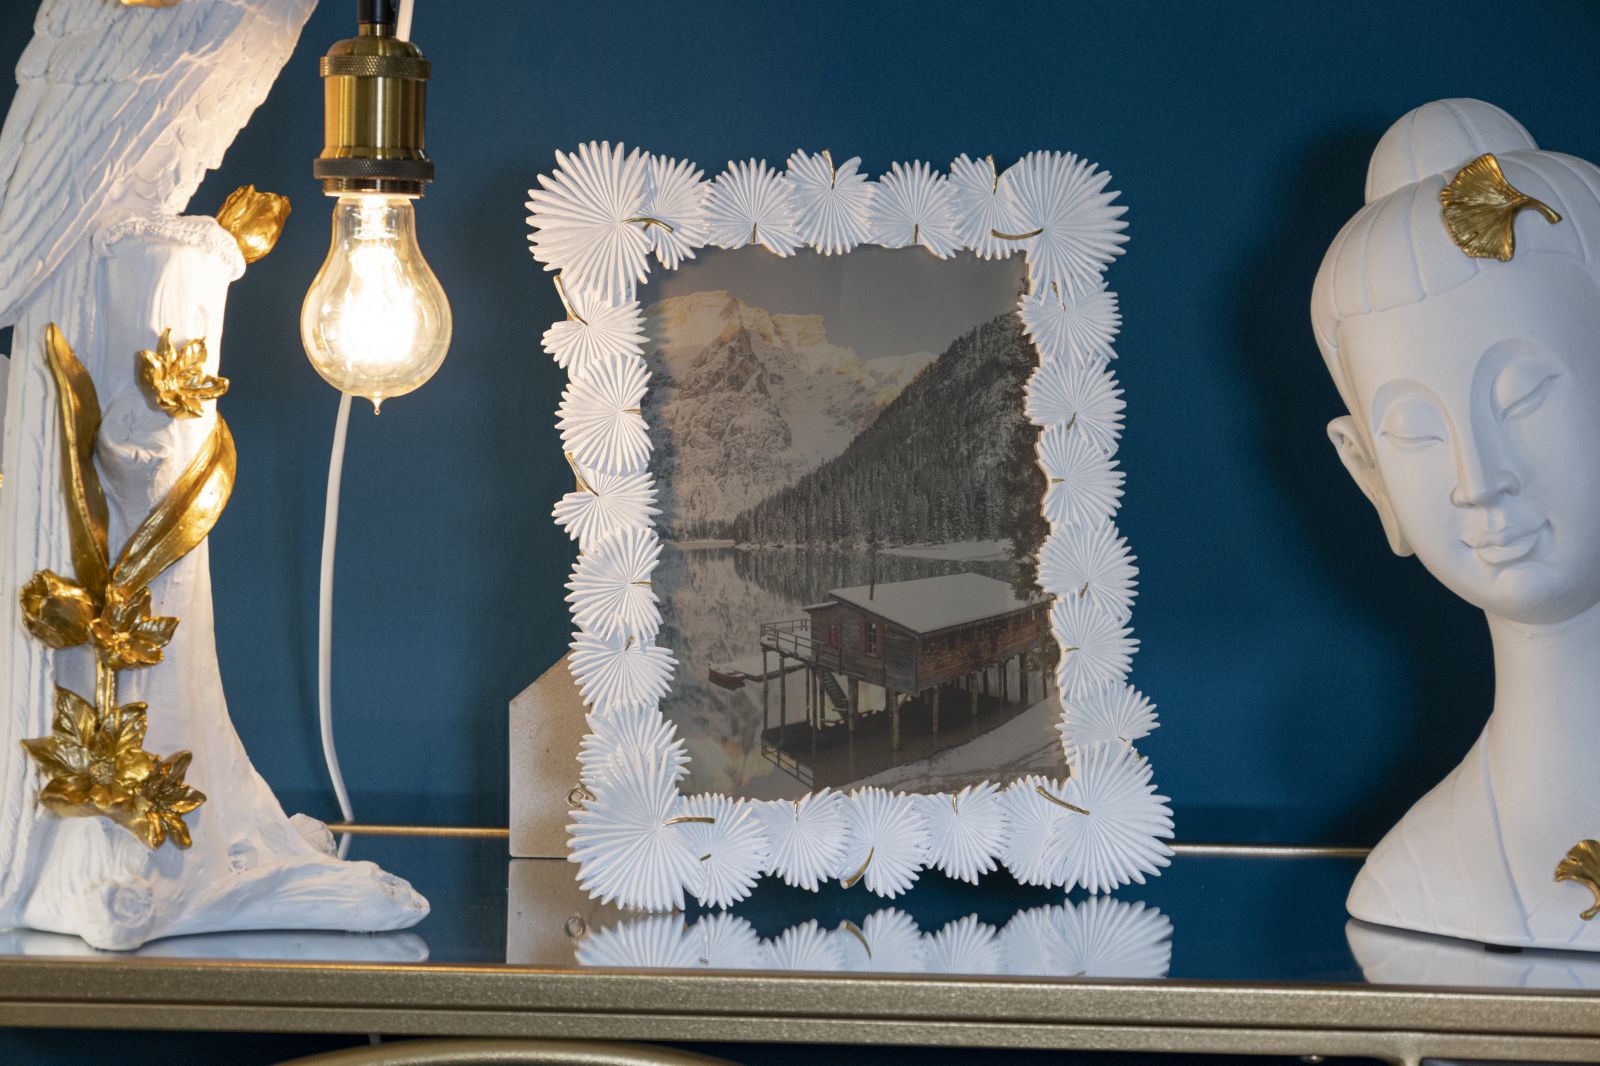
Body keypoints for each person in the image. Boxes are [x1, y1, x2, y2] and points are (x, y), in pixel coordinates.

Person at [1311, 98, 1600, 949]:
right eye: (1416, 432)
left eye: (1523, 396)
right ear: (1370, 475)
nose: (1481, 480)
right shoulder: (1431, 875)